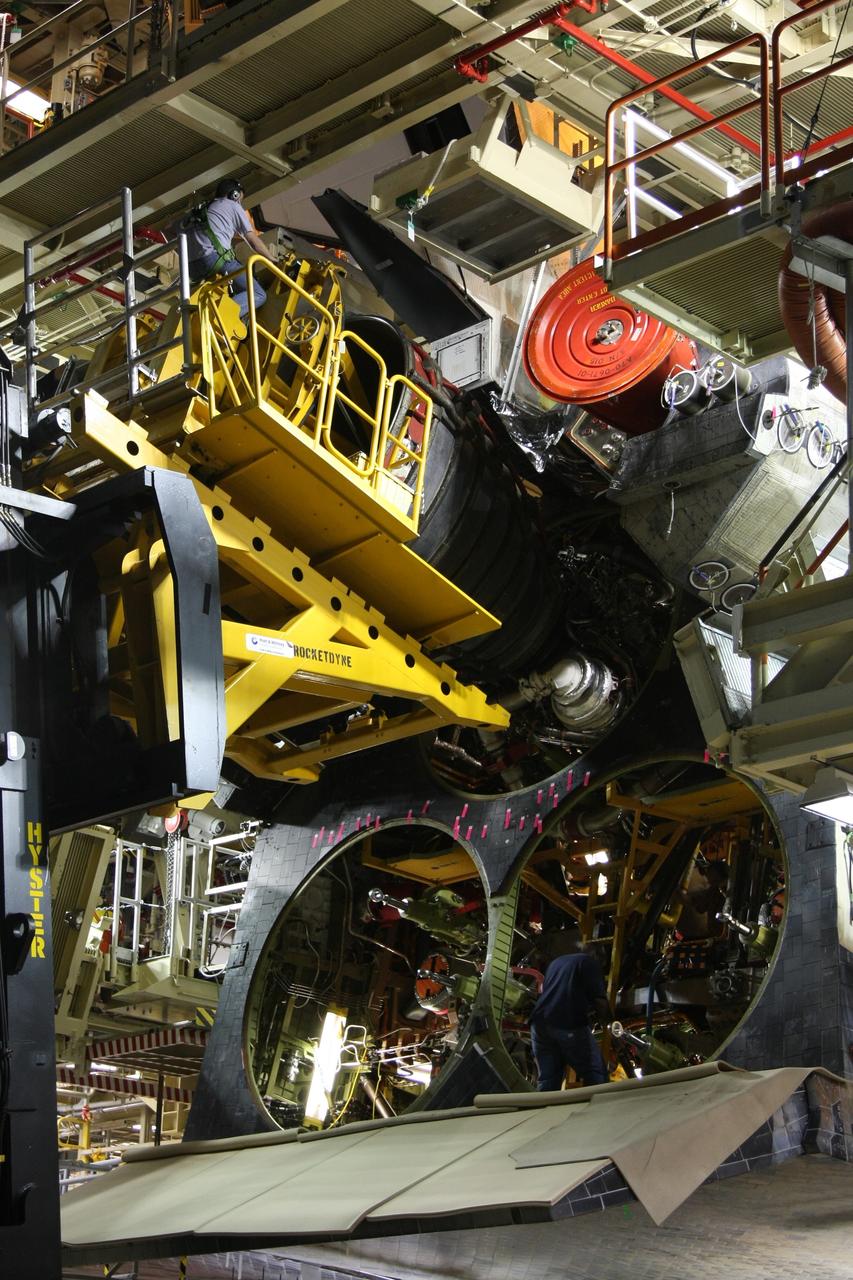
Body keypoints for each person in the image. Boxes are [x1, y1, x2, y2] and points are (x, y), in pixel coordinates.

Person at [529, 925, 610, 1090]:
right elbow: (599, 1001)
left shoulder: (556, 963)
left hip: (539, 1025)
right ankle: (598, 1113)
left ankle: (542, 1114)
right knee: (595, 1074)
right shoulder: (591, 964)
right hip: (566, 1023)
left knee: (548, 1081)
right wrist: (612, 1024)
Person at [183, 178, 276, 321]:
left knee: (237, 282)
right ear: (235, 195)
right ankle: (222, 316)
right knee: (257, 294)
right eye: (240, 199)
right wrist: (271, 259)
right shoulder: (233, 206)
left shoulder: (205, 209)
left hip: (190, 269)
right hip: (214, 260)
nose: (240, 203)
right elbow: (253, 240)